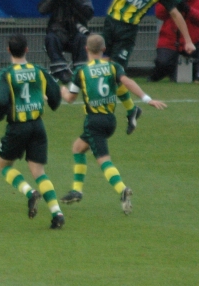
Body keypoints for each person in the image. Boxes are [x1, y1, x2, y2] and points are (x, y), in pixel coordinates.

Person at [58, 34, 167, 214]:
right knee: (78, 147)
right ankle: (77, 190)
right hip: (110, 120)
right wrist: (147, 99)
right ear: (103, 49)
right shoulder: (113, 67)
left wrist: (62, 90)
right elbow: (127, 82)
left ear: (86, 49)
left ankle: (122, 190)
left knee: (103, 161)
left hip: (94, 121)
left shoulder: (81, 72)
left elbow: (70, 98)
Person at [0, 33, 66, 229]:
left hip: (18, 127)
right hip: (38, 126)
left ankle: (29, 193)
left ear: (8, 50)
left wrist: (0, 114)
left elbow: (2, 101)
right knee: (39, 171)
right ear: (27, 49)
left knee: (4, 165)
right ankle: (57, 213)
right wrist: (52, 103)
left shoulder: (6, 74)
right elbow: (55, 95)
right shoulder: (38, 70)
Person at [38, 0, 94, 84]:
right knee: (50, 38)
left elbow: (88, 14)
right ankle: (61, 70)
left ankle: (79, 72)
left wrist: (72, 0)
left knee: (82, 38)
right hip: (59, 35)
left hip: (76, 35)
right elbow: (42, 9)